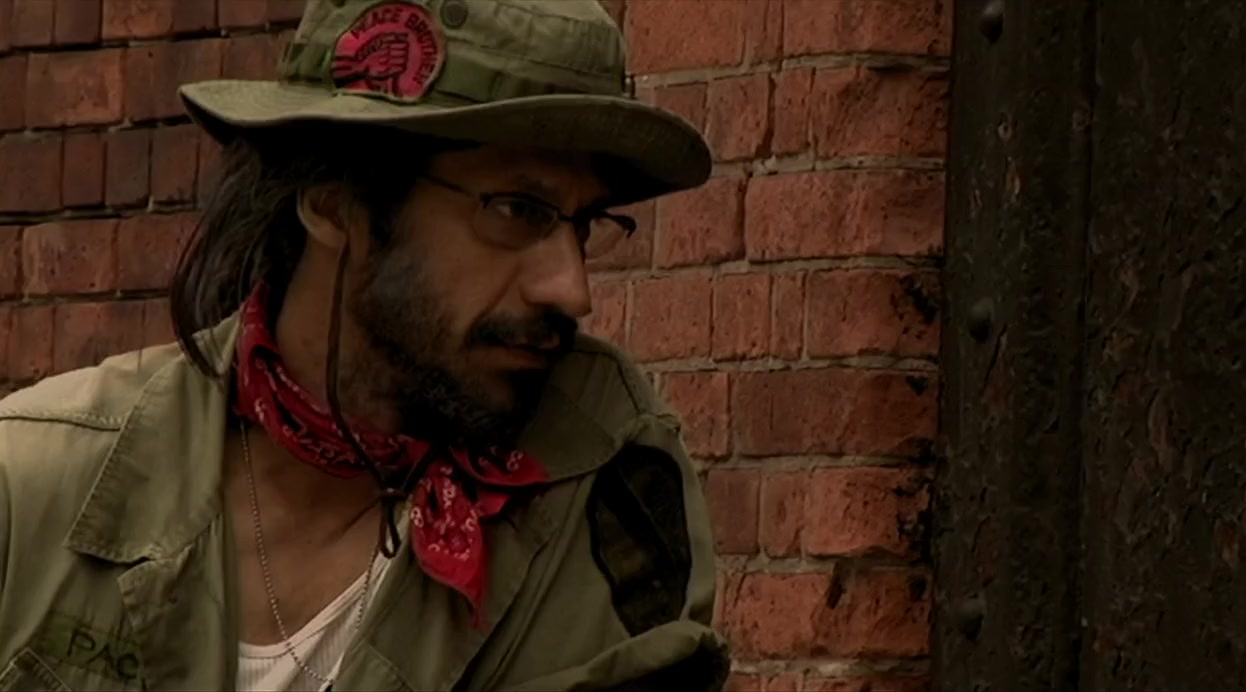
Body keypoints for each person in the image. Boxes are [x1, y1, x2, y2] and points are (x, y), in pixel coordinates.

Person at [0, 1, 727, 690]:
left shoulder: (603, 483)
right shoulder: (33, 490)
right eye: (517, 209)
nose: (571, 289)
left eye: (584, 224)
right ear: (334, 201)